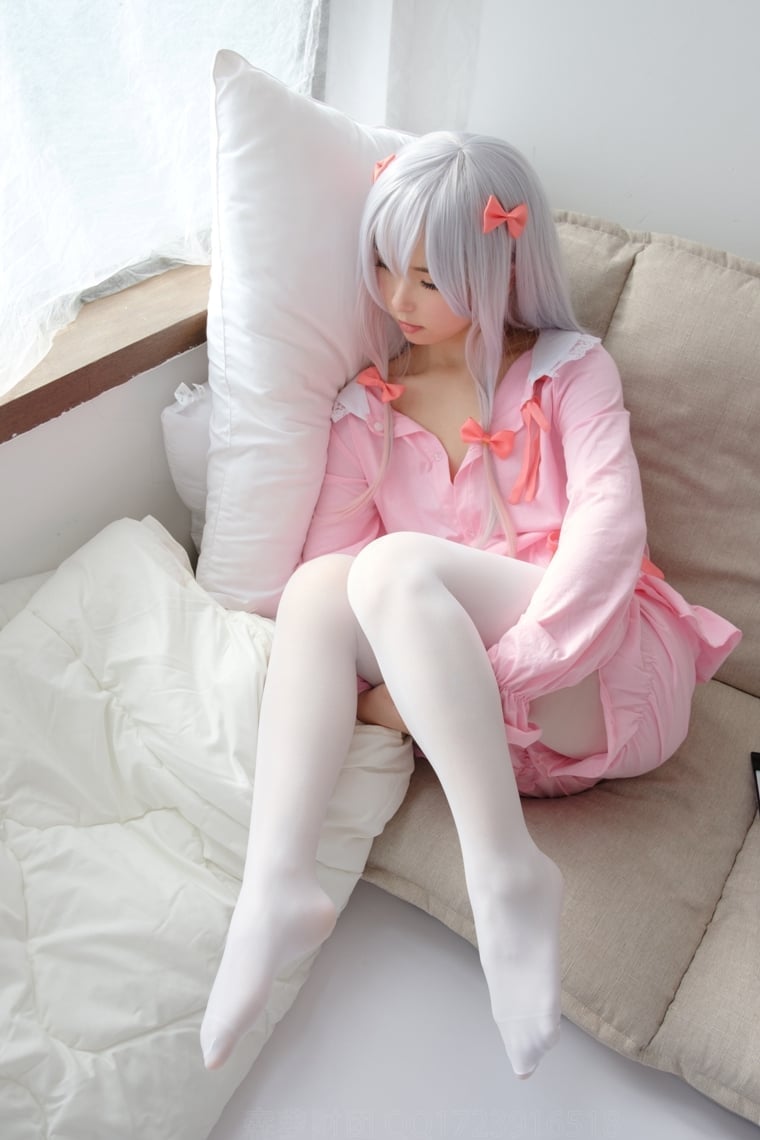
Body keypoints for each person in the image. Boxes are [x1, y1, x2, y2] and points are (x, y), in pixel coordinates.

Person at [199, 132, 741, 1078]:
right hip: (489, 742)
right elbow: (327, 590)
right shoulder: (368, 409)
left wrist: (489, 677)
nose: (397, 299)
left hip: (605, 676)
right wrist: (412, 695)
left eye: (428, 278)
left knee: (391, 566)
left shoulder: (570, 370)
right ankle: (274, 882)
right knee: (326, 584)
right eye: (382, 265)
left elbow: (609, 535)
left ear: (499, 272)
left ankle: (505, 871)